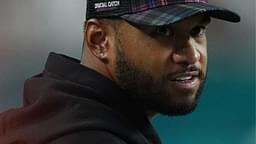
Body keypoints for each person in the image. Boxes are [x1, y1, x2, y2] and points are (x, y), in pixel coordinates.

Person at [0, 0, 240, 144]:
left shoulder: (53, 119)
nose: (191, 55)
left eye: (197, 30)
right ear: (100, 40)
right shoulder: (84, 138)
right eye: (164, 32)